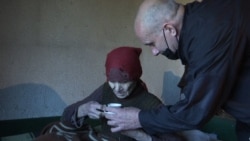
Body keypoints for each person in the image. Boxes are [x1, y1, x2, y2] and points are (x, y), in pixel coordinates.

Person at [104, 0, 250, 141]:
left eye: (152, 43)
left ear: (170, 29)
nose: (154, 52)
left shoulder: (211, 35)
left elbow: (196, 111)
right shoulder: (201, 19)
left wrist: (138, 119)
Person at [35, 46, 185, 141]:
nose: (116, 88)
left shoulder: (150, 103)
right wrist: (84, 109)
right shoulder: (106, 90)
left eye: (124, 82)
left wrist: (138, 135)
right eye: (112, 81)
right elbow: (65, 117)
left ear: (135, 77)